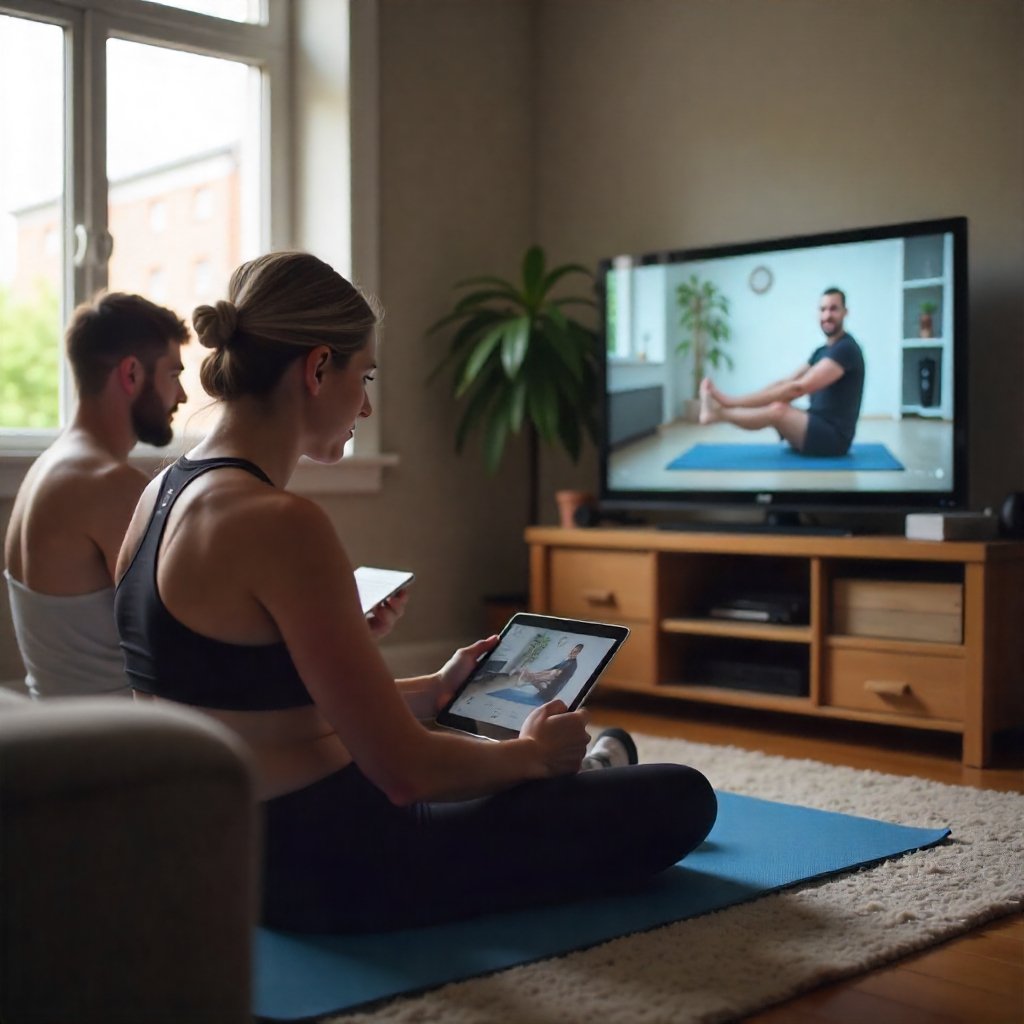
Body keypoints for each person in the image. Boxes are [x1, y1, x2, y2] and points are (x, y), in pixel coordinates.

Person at [114, 251, 717, 934]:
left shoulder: (155, 498)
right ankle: (595, 767)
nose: (367, 404)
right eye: (363, 376)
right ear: (317, 369)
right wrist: (531, 756)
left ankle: (596, 766)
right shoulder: (279, 523)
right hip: (325, 864)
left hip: (218, 854)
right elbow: (406, 771)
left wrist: (435, 689)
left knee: (557, 783)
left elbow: (258, 703)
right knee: (681, 797)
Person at [4, 293, 189, 698]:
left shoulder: (47, 470)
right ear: (131, 374)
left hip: (63, 729)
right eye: (174, 374)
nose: (182, 396)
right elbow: (181, 640)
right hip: (112, 743)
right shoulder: (108, 483)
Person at [699, 287, 865, 457]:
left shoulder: (846, 349)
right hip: (816, 423)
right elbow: (786, 382)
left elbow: (797, 389)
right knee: (778, 401)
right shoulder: (821, 351)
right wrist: (736, 401)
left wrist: (731, 401)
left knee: (779, 410)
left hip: (834, 440)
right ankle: (718, 412)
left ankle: (718, 414)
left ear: (845, 312)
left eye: (834, 309)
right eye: (823, 309)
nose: (827, 315)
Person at [514, 642, 584, 702]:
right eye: (572, 650)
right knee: (547, 672)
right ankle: (529, 678)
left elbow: (554, 675)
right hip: (545, 690)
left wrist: (535, 677)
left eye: (575, 652)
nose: (571, 652)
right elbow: (550, 670)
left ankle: (528, 678)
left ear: (578, 653)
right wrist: (534, 675)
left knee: (552, 673)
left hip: (549, 692)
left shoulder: (572, 665)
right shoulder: (567, 661)